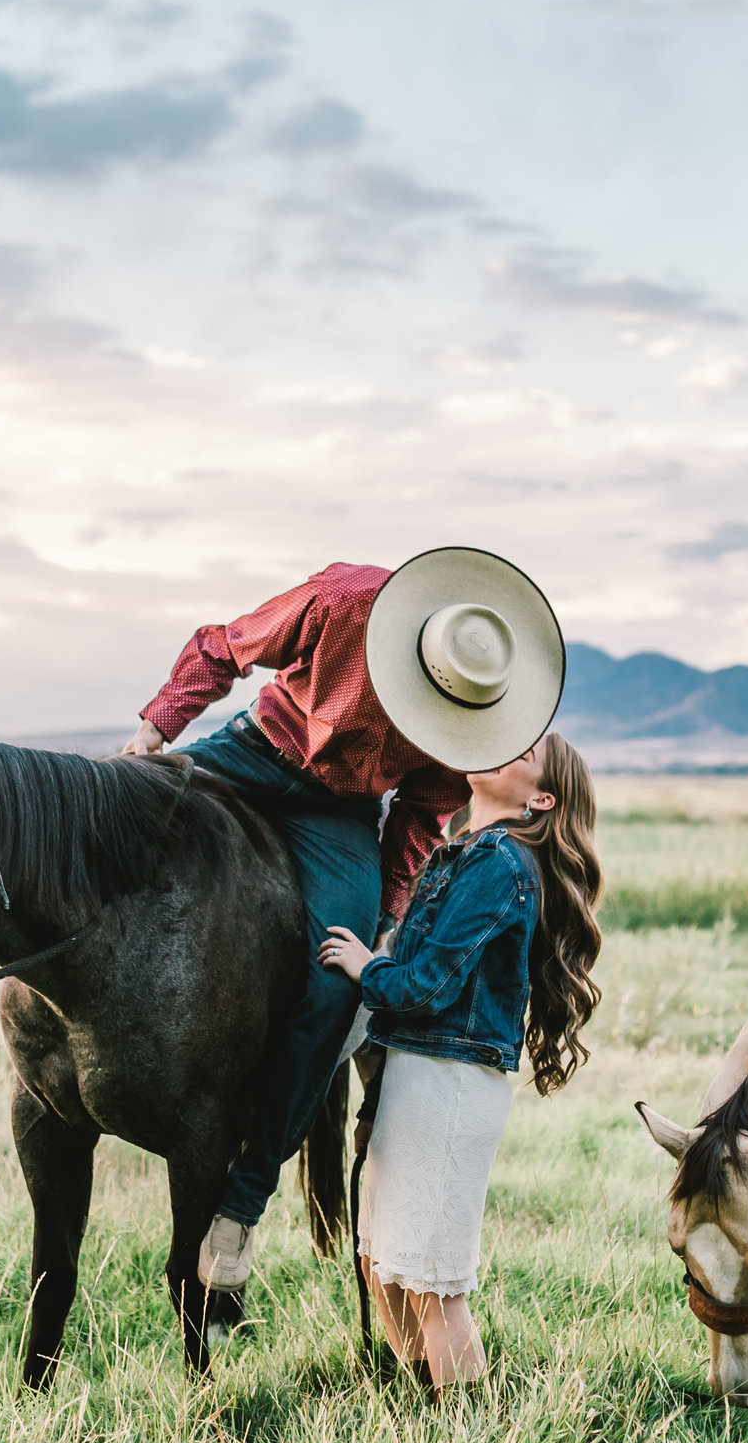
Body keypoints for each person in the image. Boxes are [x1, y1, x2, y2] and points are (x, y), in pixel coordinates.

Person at [127, 551, 566, 1298]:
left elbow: (420, 815)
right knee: (125, 806)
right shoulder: (344, 600)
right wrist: (153, 729)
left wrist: (386, 918)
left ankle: (241, 1206)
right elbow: (225, 646)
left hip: (342, 818)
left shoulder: (471, 730)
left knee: (336, 992)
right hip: (256, 751)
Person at [317, 733, 603, 1392]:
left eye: (525, 754)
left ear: (540, 797)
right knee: (383, 1264)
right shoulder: (465, 852)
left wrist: (369, 965)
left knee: (433, 1283)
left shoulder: (502, 862)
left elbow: (426, 985)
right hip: (417, 1074)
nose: (506, 748)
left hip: (449, 1085)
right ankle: (422, 1403)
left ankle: (464, 1437)